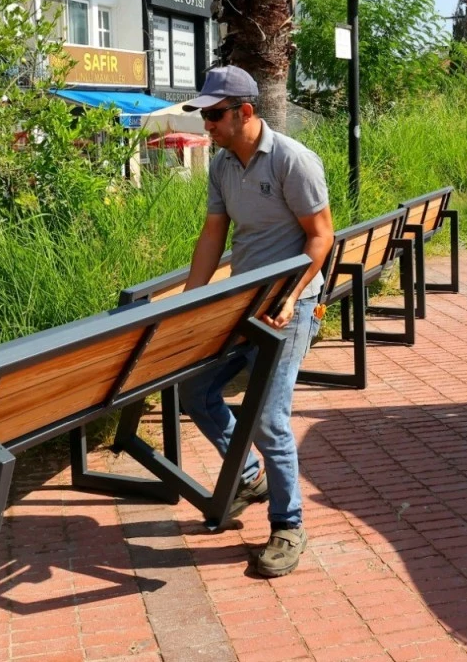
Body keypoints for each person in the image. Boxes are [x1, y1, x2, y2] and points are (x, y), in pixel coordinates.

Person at [179, 65, 335, 578]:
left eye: (215, 115)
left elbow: (321, 236)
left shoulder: (292, 160)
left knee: (268, 417)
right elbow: (213, 235)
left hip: (291, 305)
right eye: (204, 116)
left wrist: (291, 296)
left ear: (245, 111)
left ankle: (288, 524)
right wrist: (191, 301)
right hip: (244, 303)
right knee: (195, 392)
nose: (208, 125)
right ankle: (249, 476)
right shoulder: (223, 165)